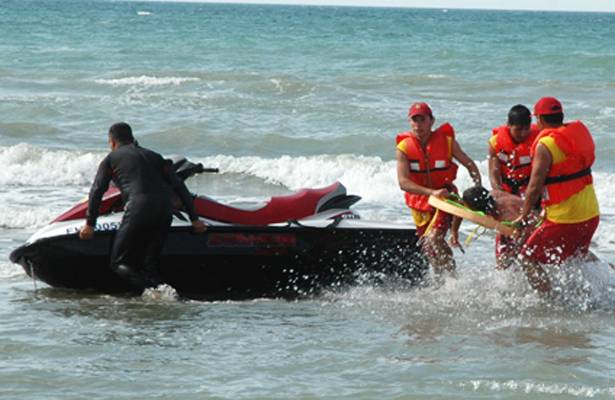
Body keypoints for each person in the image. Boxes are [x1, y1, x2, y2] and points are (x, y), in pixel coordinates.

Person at [79, 122, 207, 290]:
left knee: (119, 263)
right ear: (133, 138)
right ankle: (164, 292)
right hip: (165, 210)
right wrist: (194, 219)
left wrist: (90, 224)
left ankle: (156, 294)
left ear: (112, 141)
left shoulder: (111, 159)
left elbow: (97, 192)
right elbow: (179, 187)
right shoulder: (155, 156)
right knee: (149, 263)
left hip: (138, 209)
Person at [512, 97, 600, 294]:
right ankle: (596, 289)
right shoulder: (577, 136)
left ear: (540, 119)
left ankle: (551, 302)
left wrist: (524, 215)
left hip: (566, 218)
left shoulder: (546, 144)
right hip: (591, 213)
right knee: (575, 257)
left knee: (527, 257)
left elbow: (535, 186)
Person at [396, 102, 481, 275]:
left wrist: (477, 186)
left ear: (431, 121)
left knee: (435, 237)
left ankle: (452, 279)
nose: (418, 124)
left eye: (422, 119)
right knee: (428, 247)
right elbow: (403, 183)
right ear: (409, 122)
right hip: (420, 201)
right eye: (415, 120)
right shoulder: (403, 148)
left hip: (445, 197)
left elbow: (469, 163)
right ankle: (440, 281)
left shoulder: (447, 142)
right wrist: (430, 192)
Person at [488, 104, 540, 268]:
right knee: (504, 239)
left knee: (527, 233)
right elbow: (493, 169)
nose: (523, 133)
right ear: (509, 125)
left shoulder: (538, 142)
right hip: (507, 191)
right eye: (518, 129)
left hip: (530, 191)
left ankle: (521, 254)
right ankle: (503, 270)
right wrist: (499, 192)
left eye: (526, 129)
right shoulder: (496, 142)